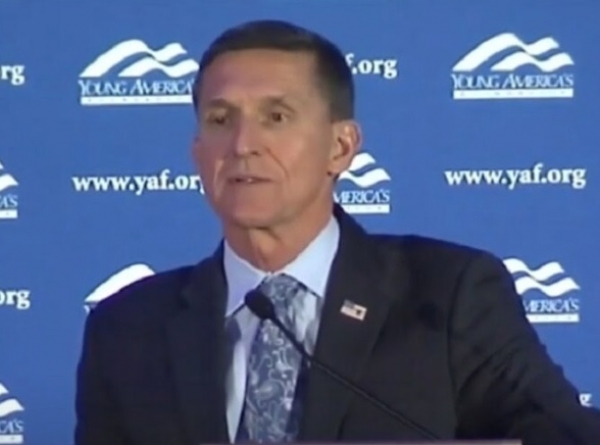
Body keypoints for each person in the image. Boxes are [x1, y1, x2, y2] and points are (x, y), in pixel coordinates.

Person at [74, 19, 600, 445]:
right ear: (197, 154)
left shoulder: (447, 296)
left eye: (276, 117)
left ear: (341, 148)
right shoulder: (127, 328)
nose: (242, 144)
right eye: (219, 120)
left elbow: (566, 435)